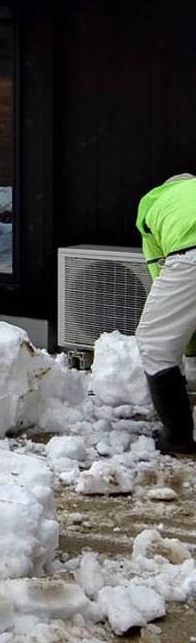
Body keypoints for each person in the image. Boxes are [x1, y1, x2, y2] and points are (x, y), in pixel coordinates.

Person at [135, 173, 196, 454]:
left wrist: (187, 345)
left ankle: (177, 436)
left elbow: (159, 274)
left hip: (190, 253)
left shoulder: (152, 204)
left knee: (155, 341)